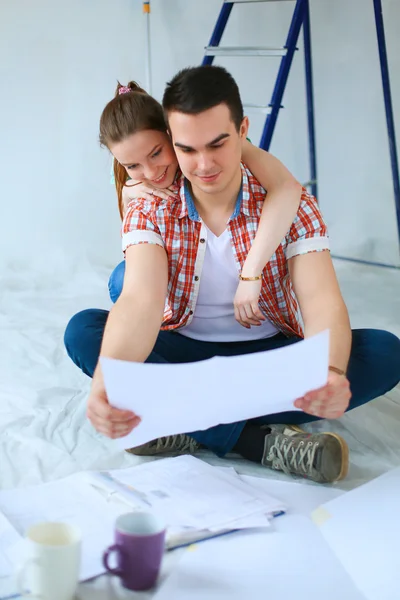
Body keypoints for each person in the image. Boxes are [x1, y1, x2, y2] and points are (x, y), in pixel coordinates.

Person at [64, 66, 400, 485]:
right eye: (187, 149)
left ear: (242, 130)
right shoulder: (150, 206)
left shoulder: (289, 201)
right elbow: (140, 301)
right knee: (84, 331)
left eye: (218, 144)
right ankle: (257, 442)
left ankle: (179, 418)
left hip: (268, 359)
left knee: (385, 352)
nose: (203, 164)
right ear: (172, 139)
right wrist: (108, 378)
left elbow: (320, 300)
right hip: (186, 353)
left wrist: (330, 372)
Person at [105, 81, 303, 328]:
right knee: (122, 279)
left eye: (156, 153)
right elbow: (136, 239)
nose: (150, 171)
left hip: (239, 258)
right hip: (181, 273)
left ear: (171, 132)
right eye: (132, 165)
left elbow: (286, 187)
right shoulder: (133, 178)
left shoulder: (220, 147)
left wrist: (252, 272)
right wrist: (126, 195)